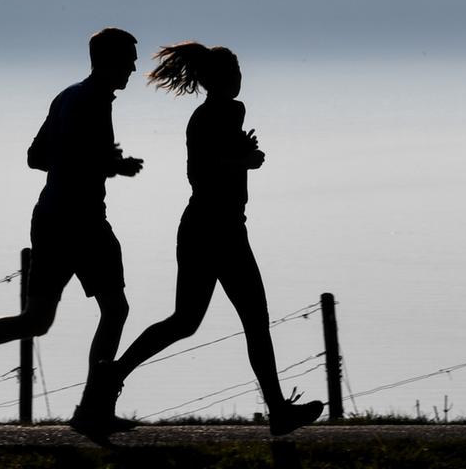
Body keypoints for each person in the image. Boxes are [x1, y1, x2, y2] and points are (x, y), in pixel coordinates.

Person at [0, 28, 144, 439]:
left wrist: (99, 161)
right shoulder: (90, 101)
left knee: (37, 320)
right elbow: (72, 160)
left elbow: (35, 157)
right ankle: (93, 408)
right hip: (83, 221)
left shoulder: (67, 96)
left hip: (51, 218)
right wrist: (111, 165)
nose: (134, 66)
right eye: (129, 57)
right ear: (108, 59)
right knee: (115, 310)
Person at [106, 41, 323, 436]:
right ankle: (278, 413)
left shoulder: (224, 114)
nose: (241, 79)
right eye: (237, 73)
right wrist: (243, 159)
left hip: (209, 227)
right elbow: (201, 171)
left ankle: (115, 373)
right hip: (216, 228)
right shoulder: (211, 116)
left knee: (187, 321)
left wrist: (241, 153)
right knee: (246, 321)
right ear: (223, 79)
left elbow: (219, 158)